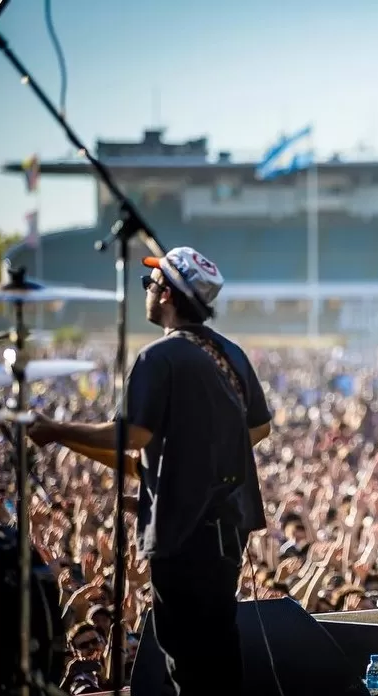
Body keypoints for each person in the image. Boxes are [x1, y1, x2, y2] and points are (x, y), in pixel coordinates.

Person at [28, 247, 272, 695]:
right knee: (218, 649)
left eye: (152, 283)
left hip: (183, 537)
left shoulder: (159, 357)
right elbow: (259, 427)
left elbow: (133, 436)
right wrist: (187, 473)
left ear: (167, 295)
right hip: (227, 532)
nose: (148, 290)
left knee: (184, 655)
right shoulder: (231, 353)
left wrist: (53, 428)